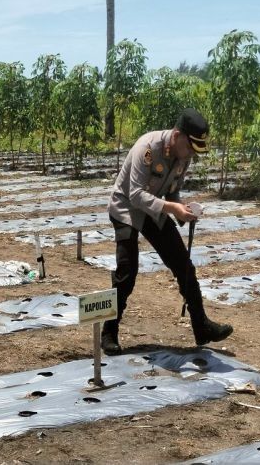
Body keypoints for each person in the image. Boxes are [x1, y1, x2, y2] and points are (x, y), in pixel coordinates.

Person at [102, 107, 233, 355]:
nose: (192, 153)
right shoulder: (148, 148)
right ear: (177, 136)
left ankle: (201, 326)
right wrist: (172, 207)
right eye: (191, 147)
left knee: (183, 264)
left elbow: (172, 190)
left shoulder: (184, 155)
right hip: (126, 209)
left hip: (154, 209)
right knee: (127, 272)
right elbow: (136, 194)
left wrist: (182, 209)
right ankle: (109, 331)